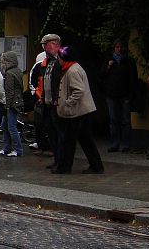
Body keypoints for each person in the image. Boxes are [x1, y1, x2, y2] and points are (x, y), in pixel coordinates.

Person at [56, 45, 104, 174]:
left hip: (78, 112)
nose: (58, 60)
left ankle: (65, 167)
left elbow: (78, 90)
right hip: (82, 110)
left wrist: (67, 103)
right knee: (85, 139)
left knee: (70, 140)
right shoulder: (73, 68)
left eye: (59, 57)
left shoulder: (72, 70)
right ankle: (96, 166)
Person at [99, 39, 137, 153]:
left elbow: (132, 78)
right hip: (111, 94)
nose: (119, 49)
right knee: (113, 119)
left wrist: (131, 94)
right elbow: (101, 75)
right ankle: (114, 143)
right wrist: (108, 67)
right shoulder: (108, 60)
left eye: (120, 47)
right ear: (114, 48)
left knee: (125, 120)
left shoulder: (128, 61)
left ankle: (126, 144)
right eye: (117, 47)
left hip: (124, 94)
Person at [36, 33, 64, 171]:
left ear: (55, 45)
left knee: (59, 134)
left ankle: (61, 161)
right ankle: (57, 160)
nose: (44, 48)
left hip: (56, 104)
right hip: (47, 104)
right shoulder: (46, 63)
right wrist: (42, 97)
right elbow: (43, 82)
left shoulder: (61, 61)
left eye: (46, 44)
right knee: (51, 133)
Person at [0, 51, 24, 157]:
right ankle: (7, 148)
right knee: (5, 126)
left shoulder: (9, 73)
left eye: (3, 60)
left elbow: (9, 91)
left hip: (12, 103)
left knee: (11, 127)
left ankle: (18, 149)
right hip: (17, 101)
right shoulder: (17, 70)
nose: (2, 62)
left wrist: (7, 105)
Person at [28, 51, 50, 153]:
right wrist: (38, 96)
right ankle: (42, 146)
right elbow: (32, 83)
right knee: (39, 124)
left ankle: (49, 147)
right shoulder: (38, 67)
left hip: (48, 100)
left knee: (48, 124)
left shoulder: (53, 65)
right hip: (40, 99)